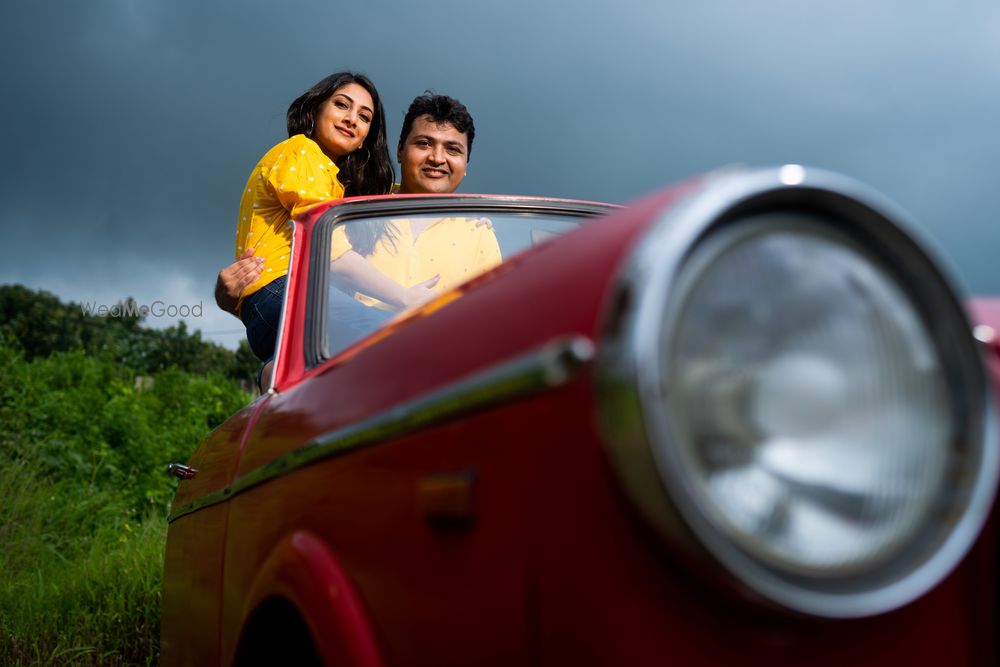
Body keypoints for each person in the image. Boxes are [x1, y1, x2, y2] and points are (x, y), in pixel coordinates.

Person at [233, 72, 394, 367]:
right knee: (391, 335)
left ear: (364, 141)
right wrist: (405, 296)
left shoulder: (329, 178)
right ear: (313, 111)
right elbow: (329, 247)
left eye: (364, 117)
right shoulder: (302, 151)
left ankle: (275, 376)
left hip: (269, 308)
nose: (352, 119)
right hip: (281, 294)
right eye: (342, 105)